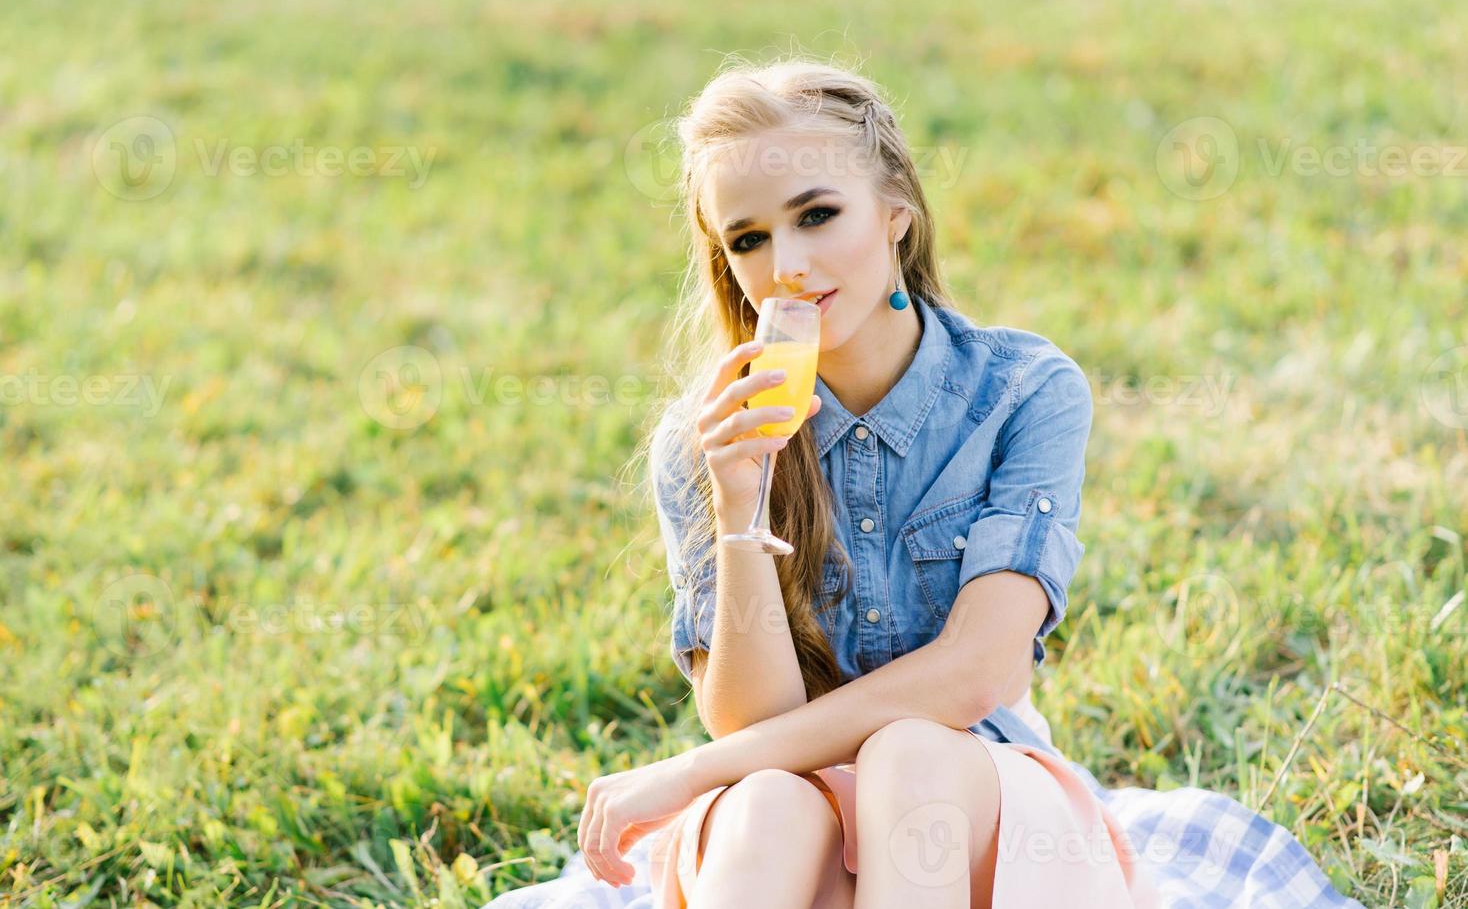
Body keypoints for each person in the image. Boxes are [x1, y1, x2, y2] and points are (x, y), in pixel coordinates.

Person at [492, 56, 1363, 909]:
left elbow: (976, 675)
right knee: (765, 804)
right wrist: (737, 507)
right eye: (750, 239)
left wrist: (688, 773)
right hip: (788, 814)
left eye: (818, 214)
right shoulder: (707, 437)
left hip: (972, 796)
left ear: (896, 214)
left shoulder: (1024, 390)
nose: (786, 263)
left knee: (910, 756)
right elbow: (750, 728)